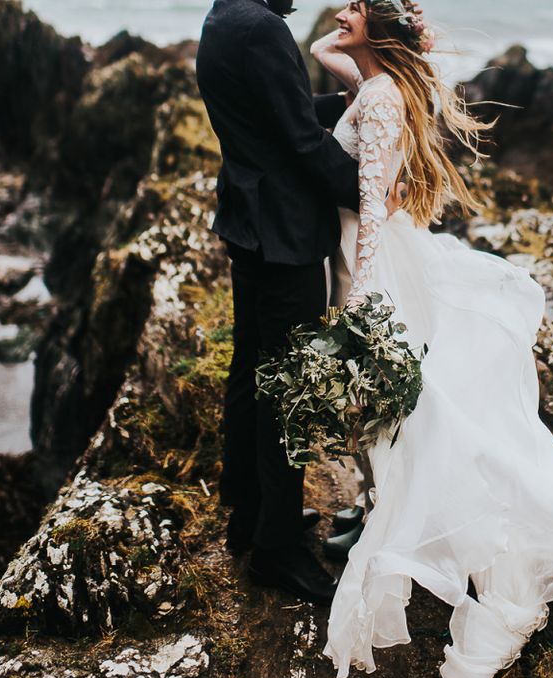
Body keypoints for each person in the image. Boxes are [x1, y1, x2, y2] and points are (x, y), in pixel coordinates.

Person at [310, 1, 553, 678]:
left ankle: (469, 540)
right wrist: (369, 34)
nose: (339, 10)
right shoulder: (376, 85)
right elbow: (329, 52)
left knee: (420, 408)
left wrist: (360, 295)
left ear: (380, 31)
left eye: (356, 6)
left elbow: (375, 201)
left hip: (373, 259)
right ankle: (390, 511)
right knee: (403, 406)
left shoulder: (380, 98)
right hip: (365, 252)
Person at [196, 0, 368, 606]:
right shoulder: (264, 28)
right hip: (283, 237)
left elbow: (272, 114)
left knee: (250, 372)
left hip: (250, 222)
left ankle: (247, 514)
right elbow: (299, 142)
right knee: (284, 391)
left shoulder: (224, 16)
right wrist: (369, 193)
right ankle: (275, 550)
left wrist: (345, 110)